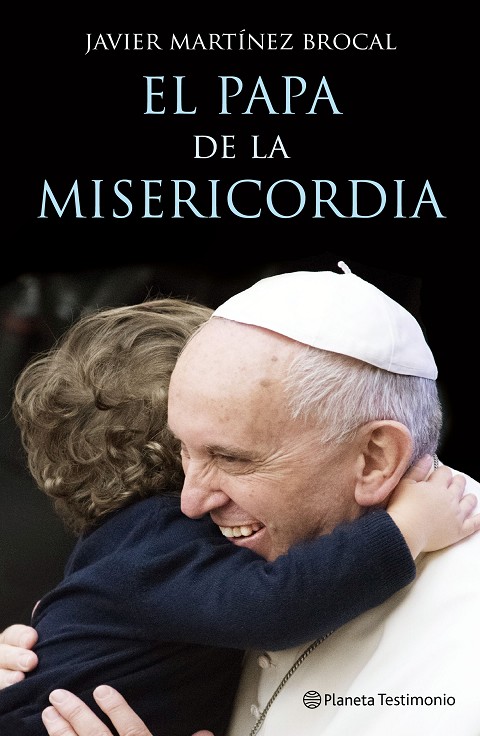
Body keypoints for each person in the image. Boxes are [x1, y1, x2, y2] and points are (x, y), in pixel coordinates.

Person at [2, 266, 480, 736]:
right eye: (183, 451)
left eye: (230, 457)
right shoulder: (176, 551)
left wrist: (407, 528)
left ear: (375, 459)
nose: (190, 502)